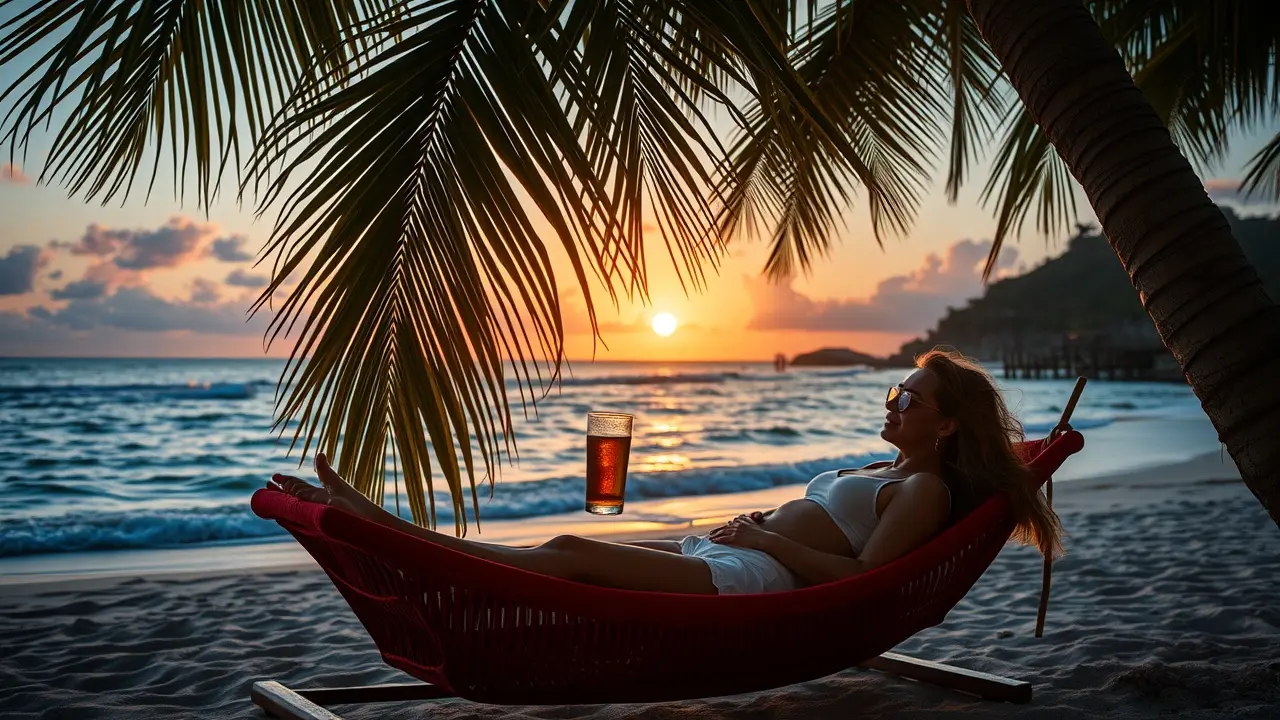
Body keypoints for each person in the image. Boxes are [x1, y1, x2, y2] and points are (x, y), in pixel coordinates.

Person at [272, 349, 1063, 595]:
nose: (893, 402)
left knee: (571, 550)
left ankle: (391, 533)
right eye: (895, 391)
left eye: (909, 398)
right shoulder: (882, 467)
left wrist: (768, 540)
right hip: (732, 553)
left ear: (949, 422)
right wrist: (757, 532)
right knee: (567, 557)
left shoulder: (922, 487)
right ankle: (394, 532)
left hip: (756, 578)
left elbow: (863, 578)